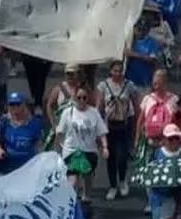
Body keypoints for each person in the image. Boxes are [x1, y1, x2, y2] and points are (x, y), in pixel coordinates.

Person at [57, 85, 109, 201]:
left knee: (87, 175)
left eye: (84, 98)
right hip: (72, 150)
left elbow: (101, 131)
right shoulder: (67, 112)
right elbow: (60, 132)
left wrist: (105, 147)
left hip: (89, 150)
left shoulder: (94, 112)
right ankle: (71, 200)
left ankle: (86, 197)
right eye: (78, 97)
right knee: (73, 177)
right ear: (74, 98)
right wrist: (60, 147)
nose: (81, 100)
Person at [98, 60, 141, 200]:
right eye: (115, 70)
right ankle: (112, 186)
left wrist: (136, 126)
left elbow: (136, 104)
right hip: (108, 125)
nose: (117, 73)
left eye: (120, 70)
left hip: (124, 124)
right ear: (110, 71)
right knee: (110, 157)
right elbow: (99, 107)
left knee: (122, 156)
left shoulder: (129, 85)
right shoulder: (103, 85)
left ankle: (122, 181)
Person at [0, 92, 47, 176]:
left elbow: (39, 145)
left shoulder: (34, 123)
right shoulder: (4, 122)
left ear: (24, 105)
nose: (14, 107)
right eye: (11, 104)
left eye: (18, 104)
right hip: (8, 167)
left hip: (27, 167)